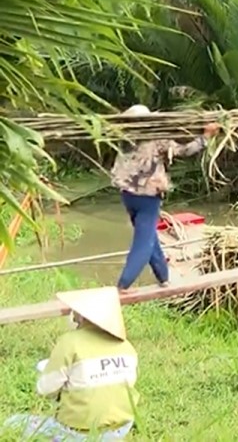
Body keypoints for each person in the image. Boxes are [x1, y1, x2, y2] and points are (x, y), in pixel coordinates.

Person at [109, 105, 220, 294]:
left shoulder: (125, 138)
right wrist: (205, 137)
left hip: (128, 194)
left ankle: (164, 278)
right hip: (148, 196)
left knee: (149, 235)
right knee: (144, 243)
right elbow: (183, 151)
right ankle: (123, 285)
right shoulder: (156, 138)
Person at [2, 287, 138, 441]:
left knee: (12, 423)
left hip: (80, 431)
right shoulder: (127, 347)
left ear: (83, 316)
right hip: (121, 428)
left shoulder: (69, 342)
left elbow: (45, 389)